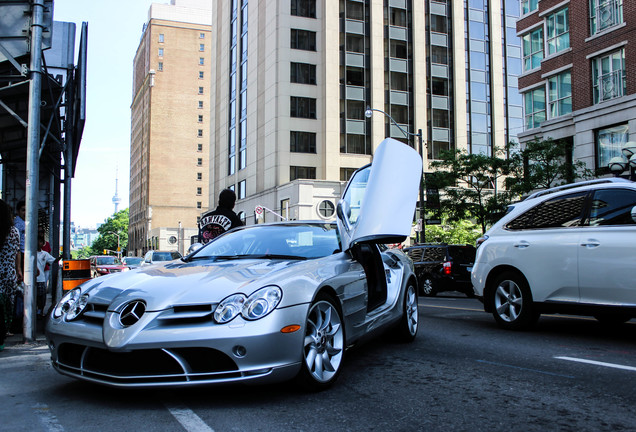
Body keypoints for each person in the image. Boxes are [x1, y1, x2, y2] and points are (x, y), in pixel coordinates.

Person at [0, 199, 21, 348]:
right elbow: (17, 252)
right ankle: (5, 330)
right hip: (9, 272)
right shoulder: (14, 231)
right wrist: (18, 269)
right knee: (8, 304)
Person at [36, 234, 57, 317]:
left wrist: (63, 257)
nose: (39, 243)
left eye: (41, 242)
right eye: (38, 241)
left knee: (41, 297)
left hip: (41, 278)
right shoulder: (30, 253)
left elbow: (54, 260)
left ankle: (40, 311)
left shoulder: (45, 254)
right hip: (31, 280)